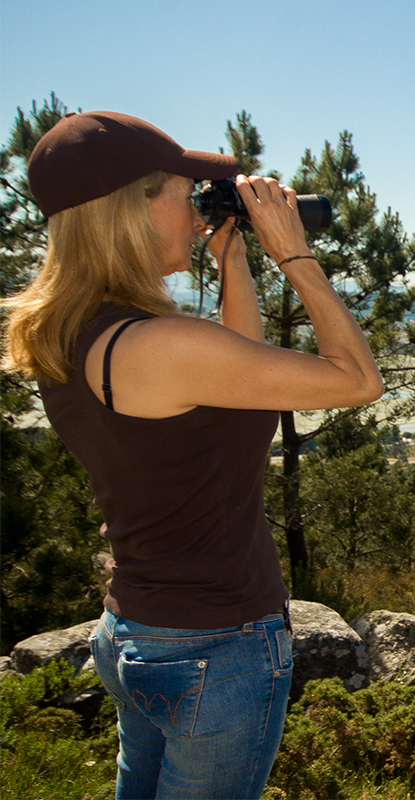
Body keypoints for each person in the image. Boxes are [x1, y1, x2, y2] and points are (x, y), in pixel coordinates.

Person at [2, 111, 383, 799]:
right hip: (215, 646)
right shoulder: (158, 345)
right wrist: (295, 254)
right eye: (186, 192)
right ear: (131, 208)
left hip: (136, 632)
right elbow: (357, 380)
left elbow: (238, 381)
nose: (196, 209)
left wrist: (233, 257)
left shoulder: (74, 334)